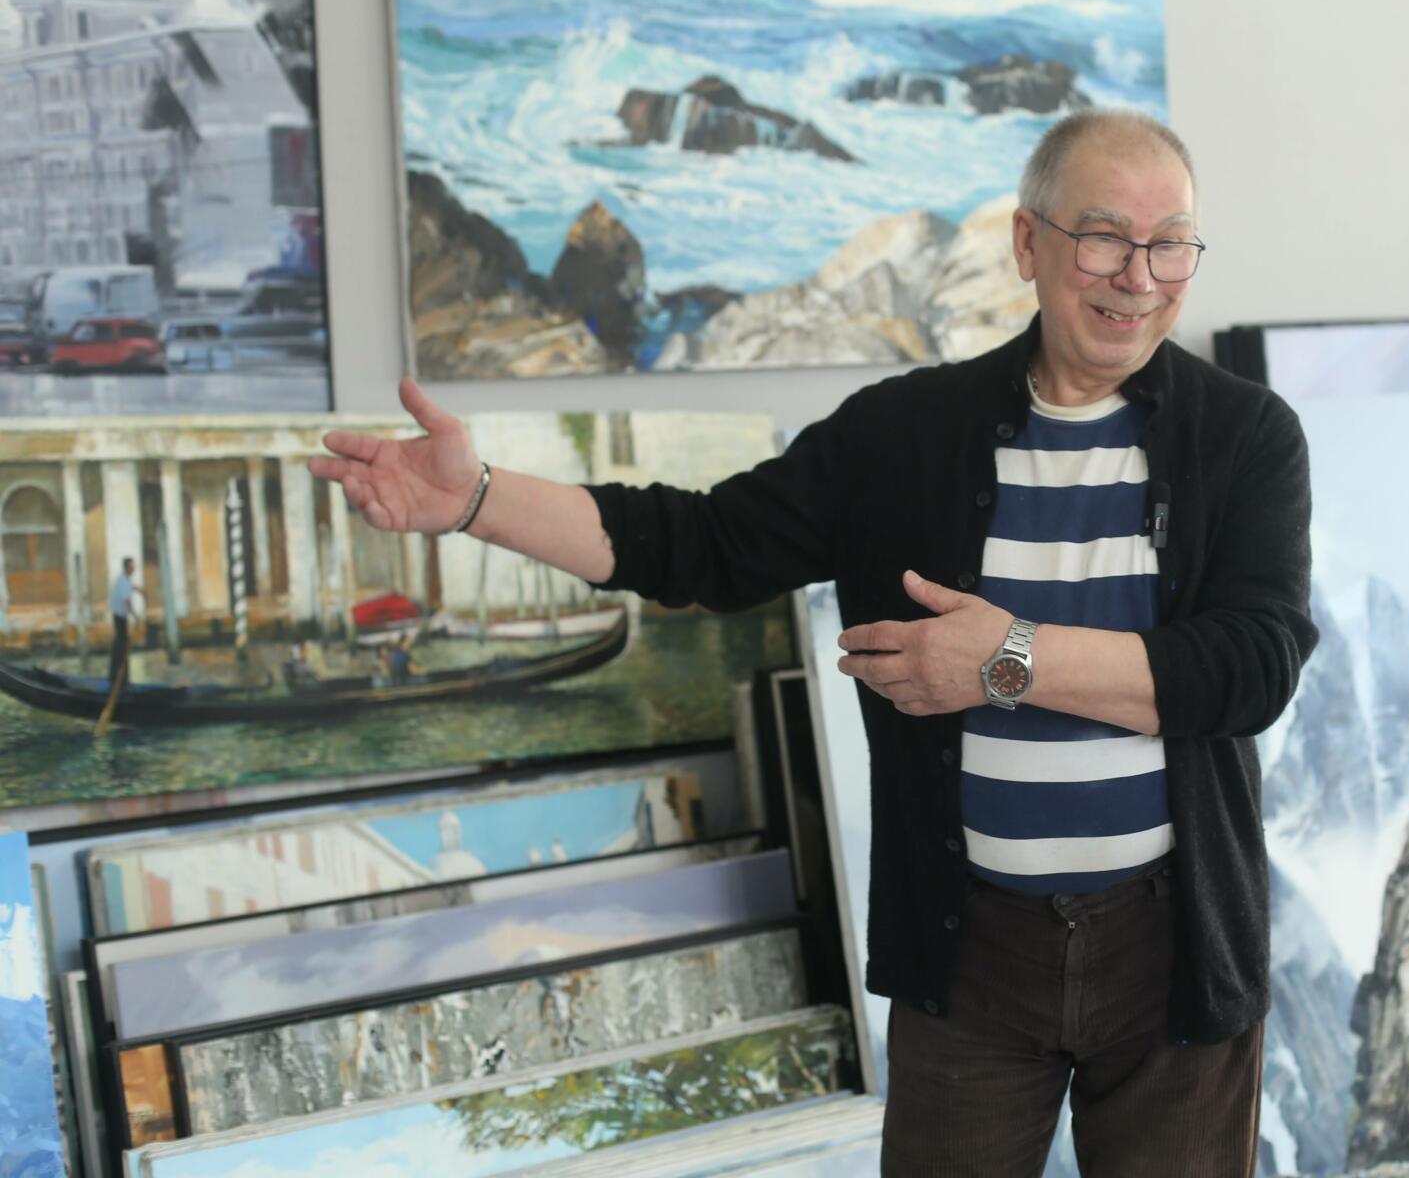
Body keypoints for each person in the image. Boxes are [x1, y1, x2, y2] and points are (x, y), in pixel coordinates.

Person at [310, 109, 1315, 1177]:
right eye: (1105, 237)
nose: (1139, 277)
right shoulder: (900, 435)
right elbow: (702, 544)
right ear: (1028, 242)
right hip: (968, 949)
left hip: (1174, 949)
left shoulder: (1246, 435)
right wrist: (476, 498)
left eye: (1171, 244)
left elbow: (1251, 670)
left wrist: (1003, 660)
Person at [107, 556, 142, 687]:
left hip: (120, 616)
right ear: (127, 567)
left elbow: (130, 587)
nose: (134, 568)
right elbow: (127, 601)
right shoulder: (123, 581)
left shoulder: (124, 579)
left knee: (121, 645)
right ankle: (120, 679)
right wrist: (135, 616)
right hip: (120, 618)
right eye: (132, 566)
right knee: (121, 647)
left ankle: (120, 678)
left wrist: (139, 590)